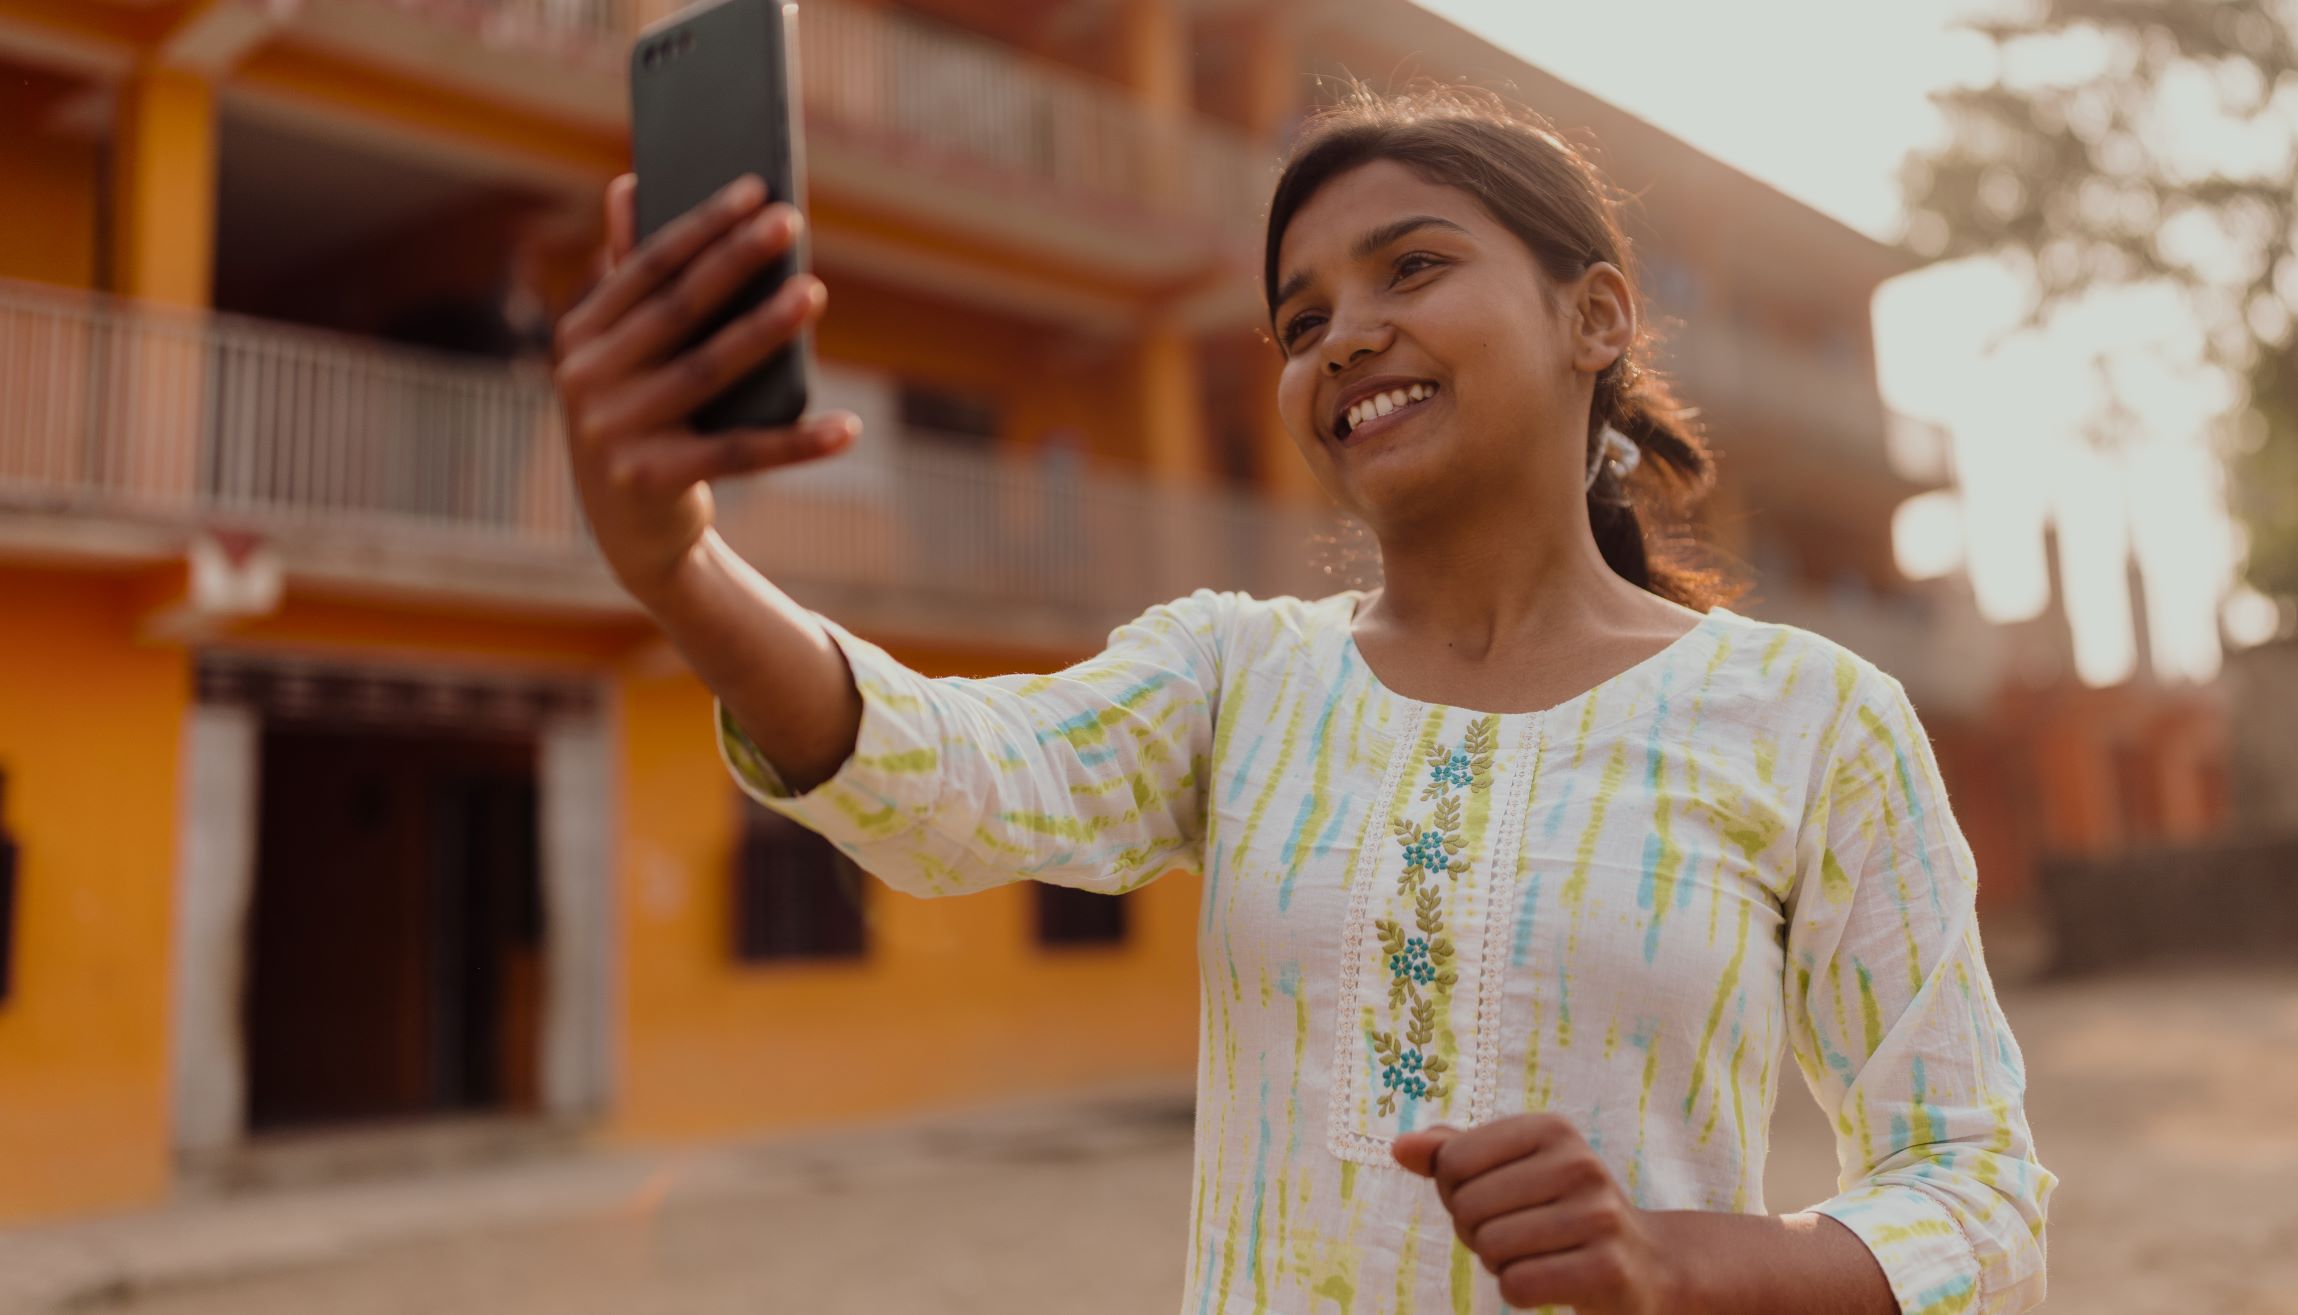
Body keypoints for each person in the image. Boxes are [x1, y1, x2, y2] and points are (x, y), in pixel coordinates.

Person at [551, 87, 2056, 1313]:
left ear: (1594, 316)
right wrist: (682, 567)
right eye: (1297, 319)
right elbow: (949, 782)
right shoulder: (1238, 676)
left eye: (1411, 268)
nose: (1342, 336)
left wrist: (1681, 1264)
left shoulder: (1810, 719)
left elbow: (1975, 1196)